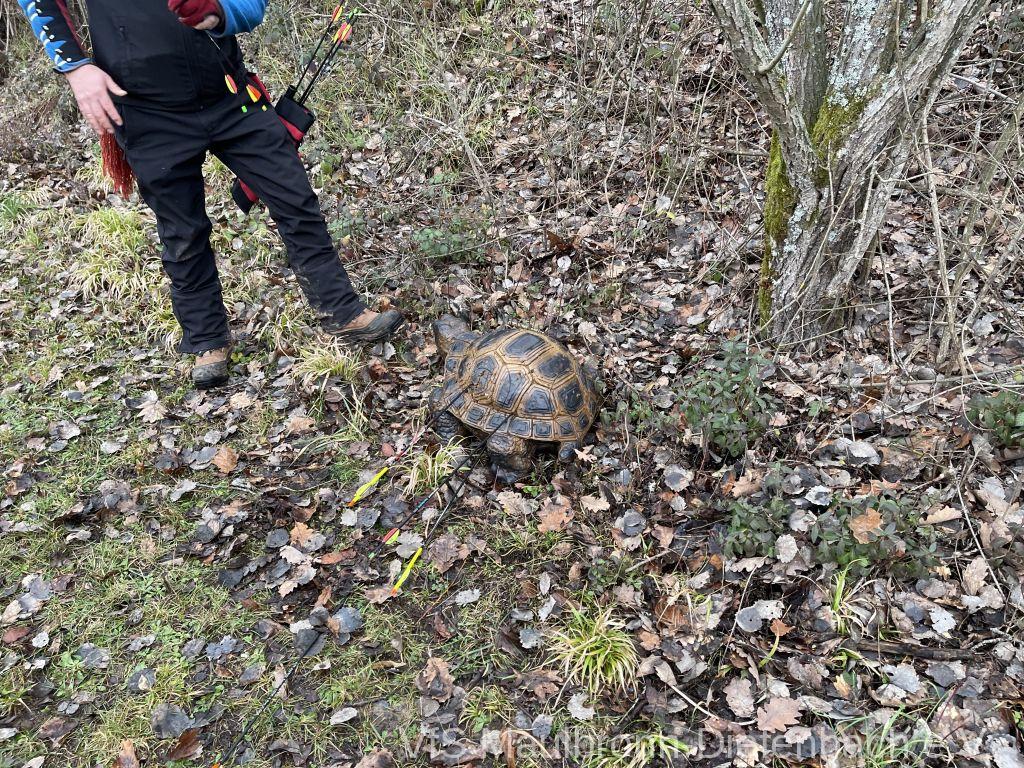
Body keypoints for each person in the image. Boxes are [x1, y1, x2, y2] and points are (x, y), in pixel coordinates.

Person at [17, 0, 404, 388]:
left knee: (295, 200)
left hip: (229, 93)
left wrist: (220, 12)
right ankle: (206, 340)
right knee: (182, 232)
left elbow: (252, 5)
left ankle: (342, 312)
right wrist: (75, 67)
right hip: (145, 112)